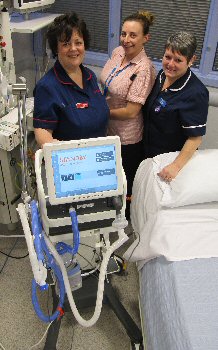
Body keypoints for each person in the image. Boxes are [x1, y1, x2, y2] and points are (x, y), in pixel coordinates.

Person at [100, 10, 156, 218]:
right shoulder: (117, 52)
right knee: (108, 178)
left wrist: (100, 112)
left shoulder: (144, 69)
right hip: (106, 129)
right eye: (124, 34)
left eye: (133, 35)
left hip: (127, 138)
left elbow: (132, 111)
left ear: (145, 38)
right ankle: (106, 214)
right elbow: (106, 81)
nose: (126, 40)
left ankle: (124, 223)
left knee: (125, 184)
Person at [33, 12, 109, 147]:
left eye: (78, 42)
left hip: (98, 156)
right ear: (56, 48)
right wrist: (58, 151)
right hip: (72, 162)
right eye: (66, 44)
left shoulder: (90, 76)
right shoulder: (47, 87)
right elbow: (42, 132)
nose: (73, 49)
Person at [143, 31, 209, 182]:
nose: (170, 64)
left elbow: (195, 138)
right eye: (167, 57)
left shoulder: (196, 93)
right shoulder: (161, 76)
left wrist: (175, 166)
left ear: (191, 60)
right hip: (148, 154)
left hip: (169, 162)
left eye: (178, 60)